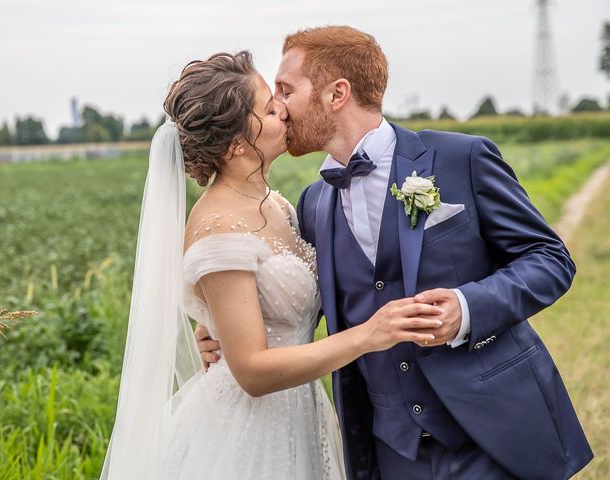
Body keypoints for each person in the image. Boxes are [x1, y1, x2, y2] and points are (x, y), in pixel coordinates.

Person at [199, 26, 593, 479]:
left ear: (336, 94)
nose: (279, 107)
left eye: (286, 90)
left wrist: (467, 308)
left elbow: (549, 258)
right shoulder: (311, 204)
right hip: (391, 451)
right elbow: (294, 296)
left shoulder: (460, 158)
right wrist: (223, 327)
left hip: (493, 433)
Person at [100, 50, 445, 480]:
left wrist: (215, 324)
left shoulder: (277, 204)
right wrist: (369, 335)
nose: (283, 108)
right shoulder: (217, 226)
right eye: (268, 106)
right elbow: (252, 373)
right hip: (249, 430)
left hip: (302, 410)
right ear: (236, 144)